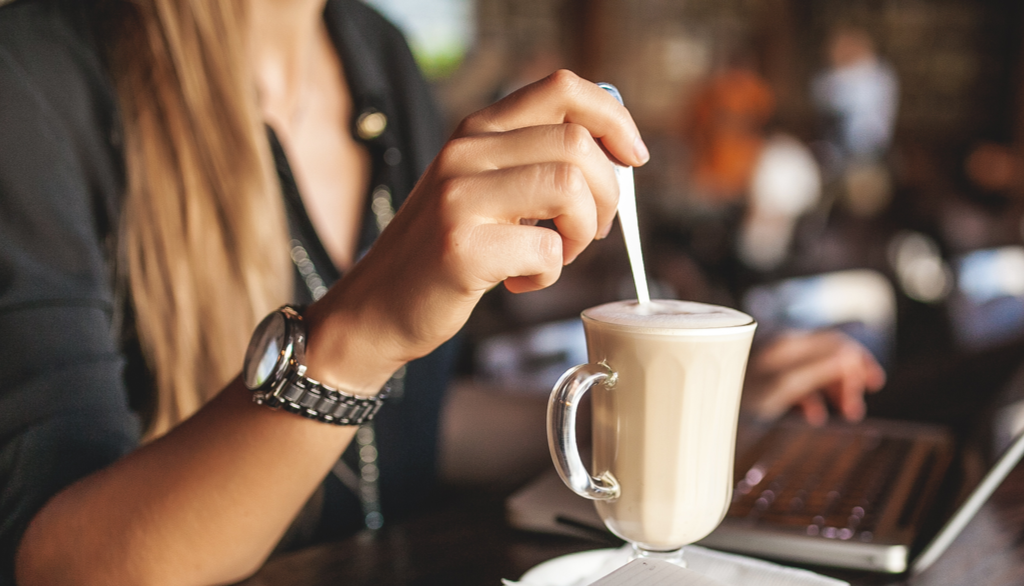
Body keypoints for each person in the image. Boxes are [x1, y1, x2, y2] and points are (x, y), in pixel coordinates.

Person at [0, 1, 882, 585]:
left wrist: (674, 406)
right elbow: (60, 563)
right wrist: (355, 337)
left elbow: (415, 421)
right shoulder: (36, 75)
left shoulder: (374, 54)